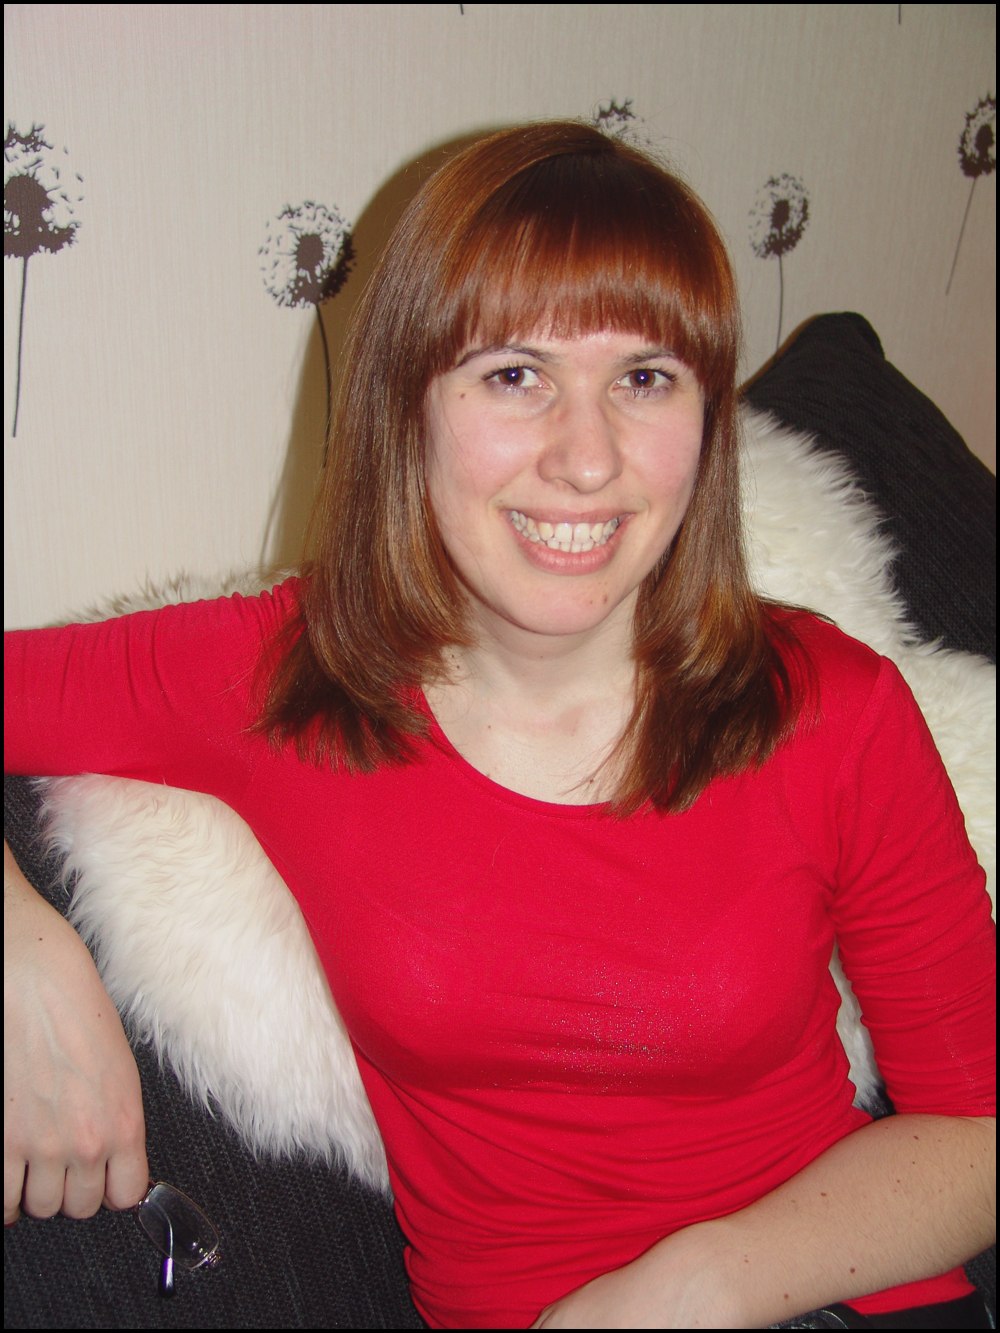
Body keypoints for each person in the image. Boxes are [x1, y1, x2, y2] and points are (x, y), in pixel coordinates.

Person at [4, 121, 995, 1330]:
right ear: (407, 405)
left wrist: (702, 1282)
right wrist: (18, 944)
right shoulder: (289, 673)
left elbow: (976, 1128)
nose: (587, 459)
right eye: (516, 375)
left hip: (846, 1297)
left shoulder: (830, 706)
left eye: (645, 378)